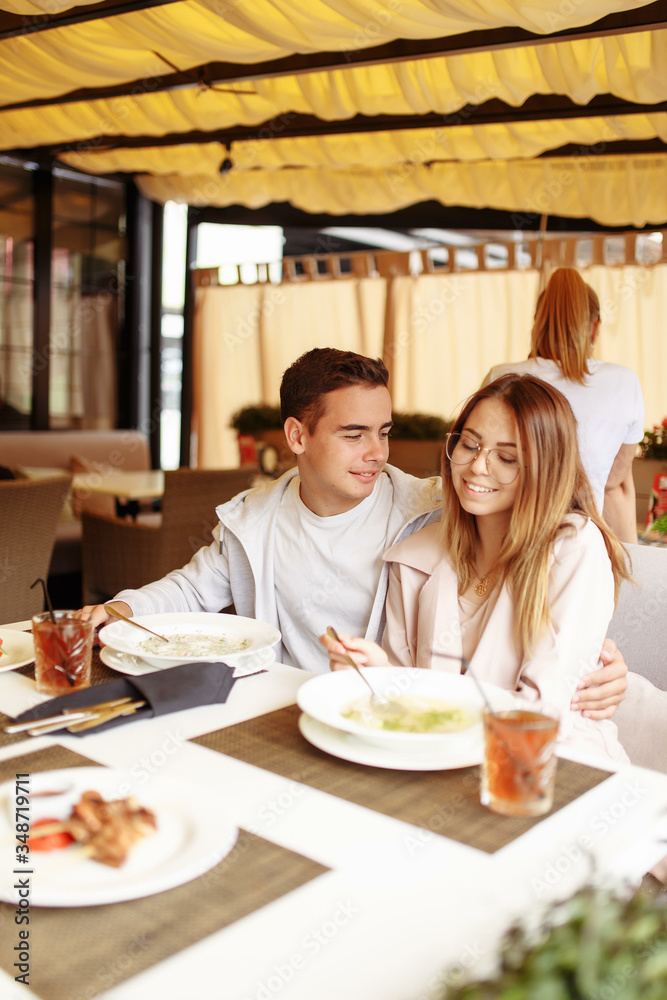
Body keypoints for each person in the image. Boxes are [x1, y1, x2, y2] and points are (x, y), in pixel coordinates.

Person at [81, 348, 626, 718]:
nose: (377, 454)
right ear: (297, 435)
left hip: (380, 717)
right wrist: (118, 609)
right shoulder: (256, 519)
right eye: (354, 434)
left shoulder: (436, 511)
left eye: (383, 433)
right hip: (285, 709)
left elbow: (536, 570)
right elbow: (190, 590)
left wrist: (600, 658)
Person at [321, 374, 632, 762]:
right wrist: (380, 675)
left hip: (555, 766)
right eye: (469, 444)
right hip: (442, 762)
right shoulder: (414, 557)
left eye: (506, 458)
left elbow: (541, 714)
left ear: (545, 467)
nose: (477, 467)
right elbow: (404, 710)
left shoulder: (573, 547)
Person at [484, 268, 644, 543]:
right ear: (595, 327)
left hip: (505, 536)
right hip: (578, 541)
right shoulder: (624, 381)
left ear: (537, 321)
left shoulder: (501, 377)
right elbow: (613, 480)